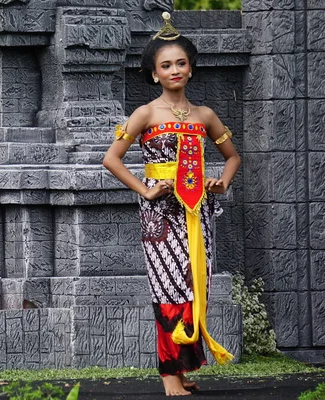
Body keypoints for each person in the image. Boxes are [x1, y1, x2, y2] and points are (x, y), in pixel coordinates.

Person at [103, 13, 241, 397]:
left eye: (181, 63)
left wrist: (221, 183)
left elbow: (232, 157)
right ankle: (167, 373)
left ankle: (182, 370)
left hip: (198, 213)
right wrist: (145, 191)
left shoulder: (205, 116)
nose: (174, 69)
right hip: (161, 217)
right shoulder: (146, 113)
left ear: (191, 69)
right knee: (168, 289)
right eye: (166, 65)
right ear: (154, 74)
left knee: (196, 288)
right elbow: (111, 159)